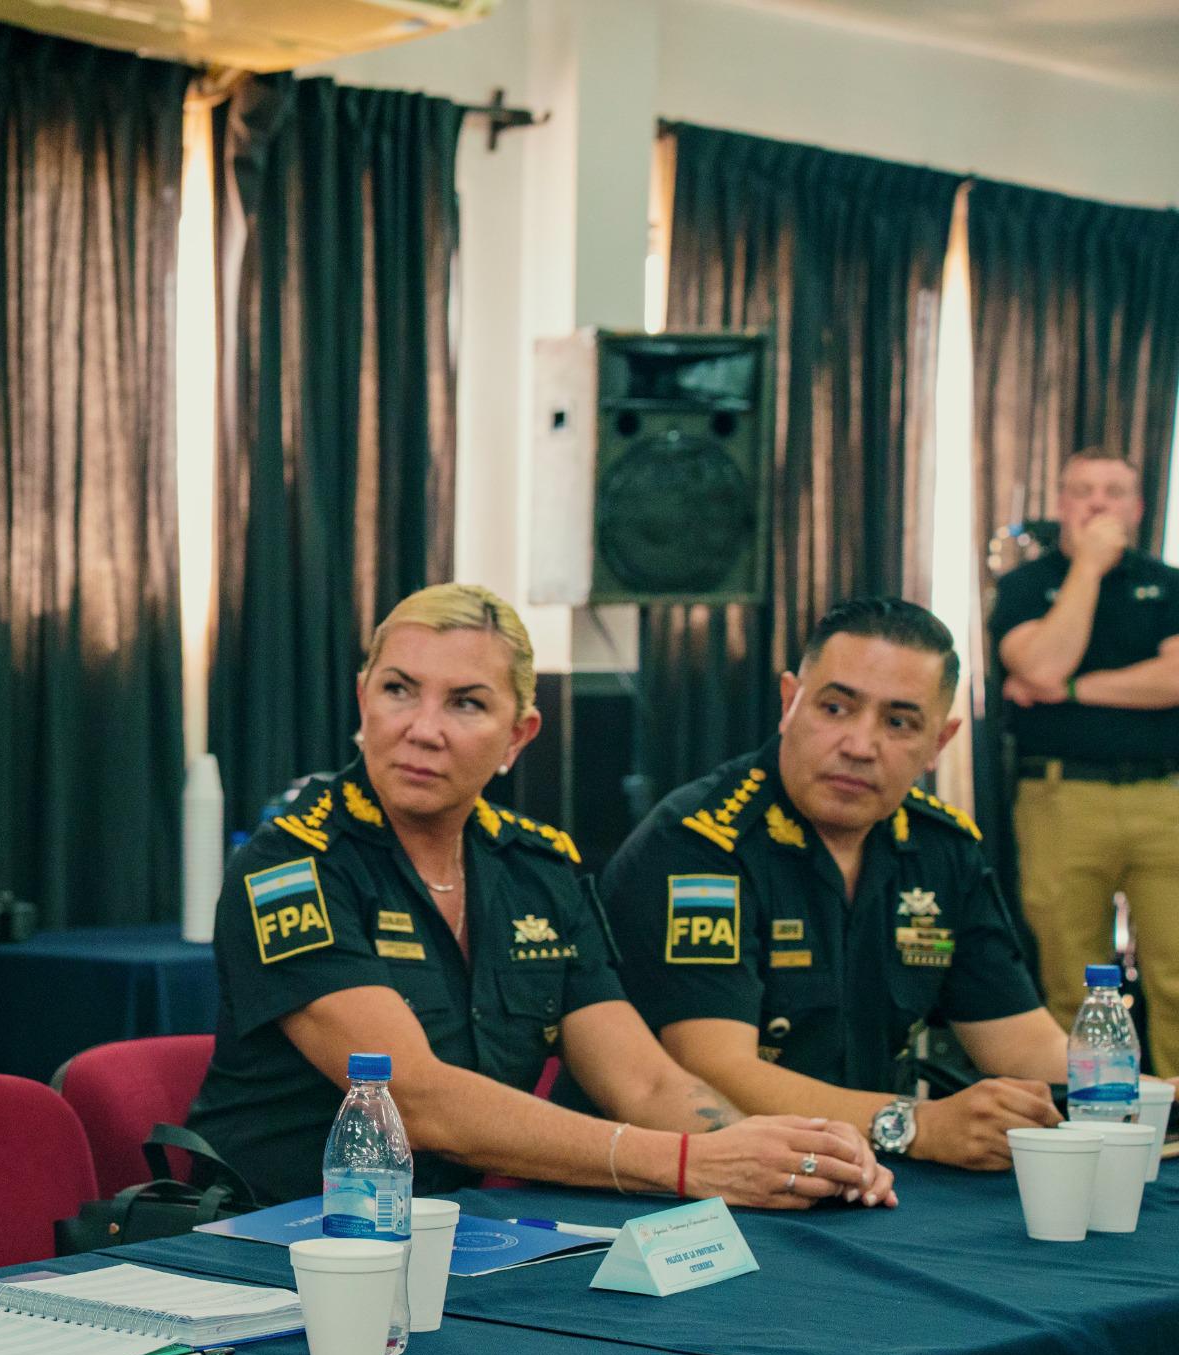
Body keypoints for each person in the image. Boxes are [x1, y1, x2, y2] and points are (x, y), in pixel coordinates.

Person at [189, 583, 894, 1212]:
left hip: (457, 1244)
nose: (423, 728)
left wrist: (784, 1157)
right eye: (399, 690)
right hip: (280, 1243)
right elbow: (416, 1100)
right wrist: (687, 1164)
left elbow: (644, 1082)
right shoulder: (292, 861)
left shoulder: (539, 867)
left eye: (466, 703)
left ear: (518, 737)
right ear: (363, 697)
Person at [602, 598, 1068, 1170]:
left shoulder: (942, 849)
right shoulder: (699, 842)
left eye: (899, 722)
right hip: (705, 1184)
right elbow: (715, 1070)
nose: (859, 745)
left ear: (938, 745)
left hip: (874, 1179)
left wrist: (1151, 1094)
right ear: (788, 702)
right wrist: (913, 1124)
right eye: (836, 708)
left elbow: (1026, 1048)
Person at [991, 447, 1179, 1074]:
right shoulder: (1024, 587)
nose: (1098, 503)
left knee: (1177, 978)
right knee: (1074, 982)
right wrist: (1089, 570)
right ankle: (1094, 1118)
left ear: (1137, 508)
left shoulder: (1168, 584)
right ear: (1063, 505)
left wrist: (1070, 690)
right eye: (1084, 491)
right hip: (1061, 799)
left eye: (1114, 492)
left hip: (1164, 800)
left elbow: (1175, 678)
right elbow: (1040, 662)